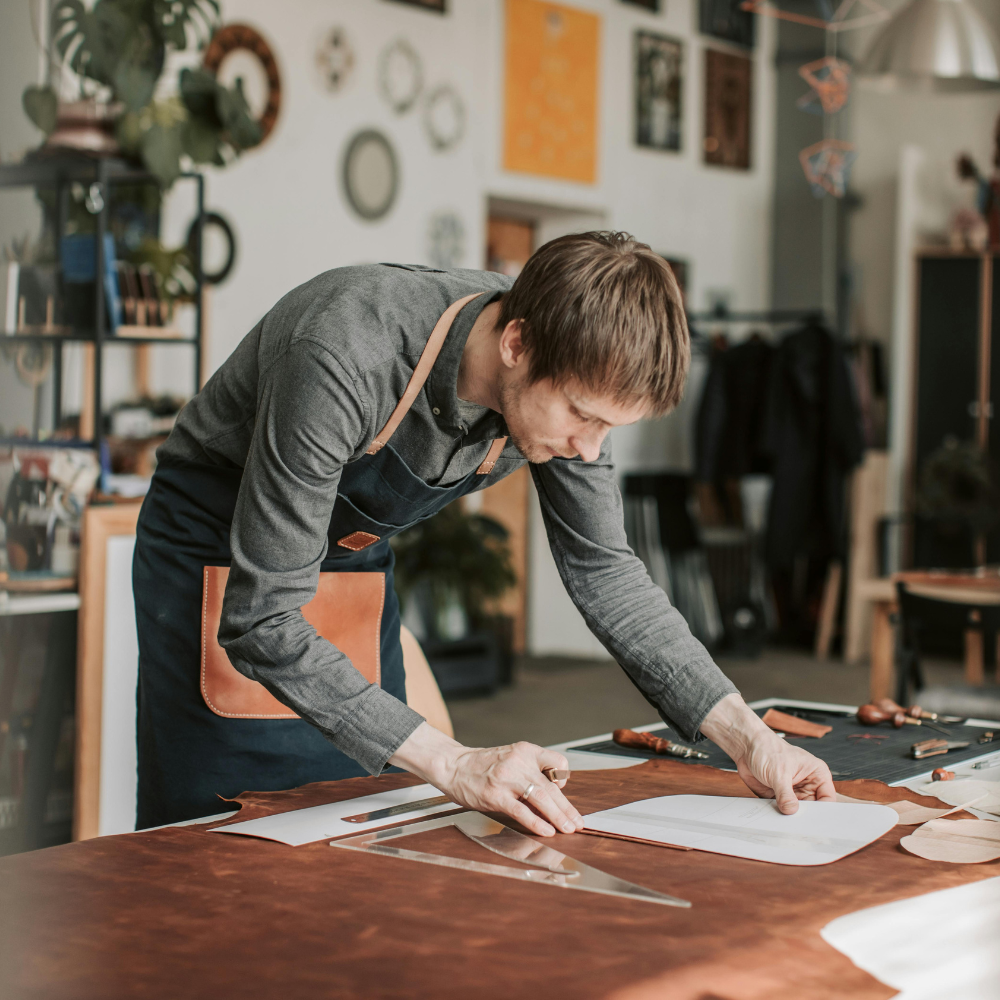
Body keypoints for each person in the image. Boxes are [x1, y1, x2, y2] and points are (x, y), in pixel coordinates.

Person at [133, 231, 835, 833]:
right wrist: (457, 761)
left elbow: (607, 574)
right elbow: (263, 618)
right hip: (215, 549)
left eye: (609, 429)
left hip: (349, 558)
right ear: (516, 343)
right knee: (224, 819)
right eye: (582, 417)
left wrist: (751, 740)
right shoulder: (344, 350)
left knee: (361, 804)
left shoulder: (573, 372)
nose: (591, 450)